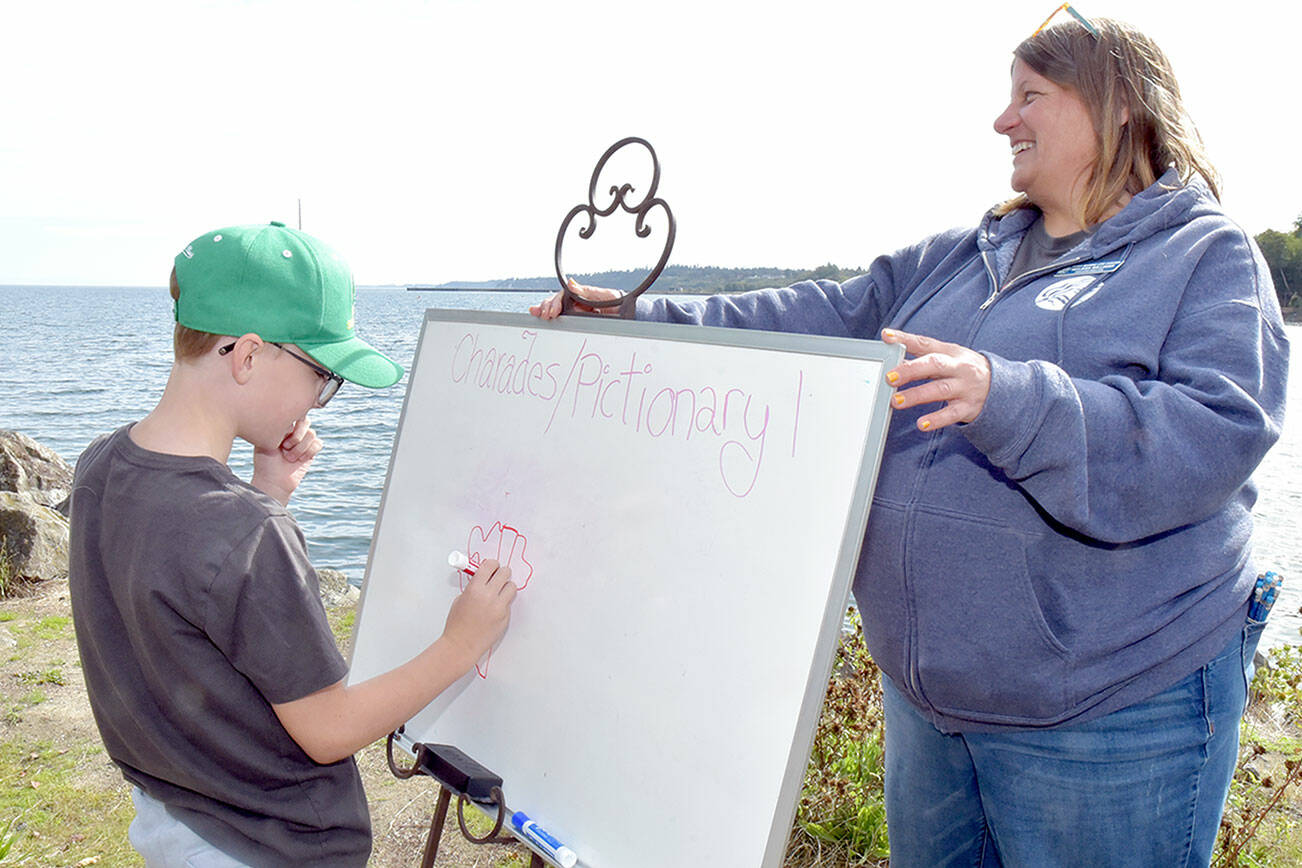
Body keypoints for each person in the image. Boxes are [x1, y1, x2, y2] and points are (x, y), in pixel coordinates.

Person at [533, 10, 1289, 867]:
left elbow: (1211, 435)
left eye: (1029, 96)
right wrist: (640, 316)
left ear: (1117, 108)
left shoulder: (1205, 256)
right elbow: (816, 316)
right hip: (930, 713)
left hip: (1110, 718)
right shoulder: (959, 255)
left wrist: (1007, 396)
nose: (1003, 120)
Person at [69, 221, 519, 867]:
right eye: (323, 375)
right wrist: (462, 643)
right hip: (272, 846)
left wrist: (268, 489)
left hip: (178, 822)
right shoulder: (247, 534)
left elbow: (188, 604)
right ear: (248, 356)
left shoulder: (100, 467)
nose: (321, 398)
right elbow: (328, 730)